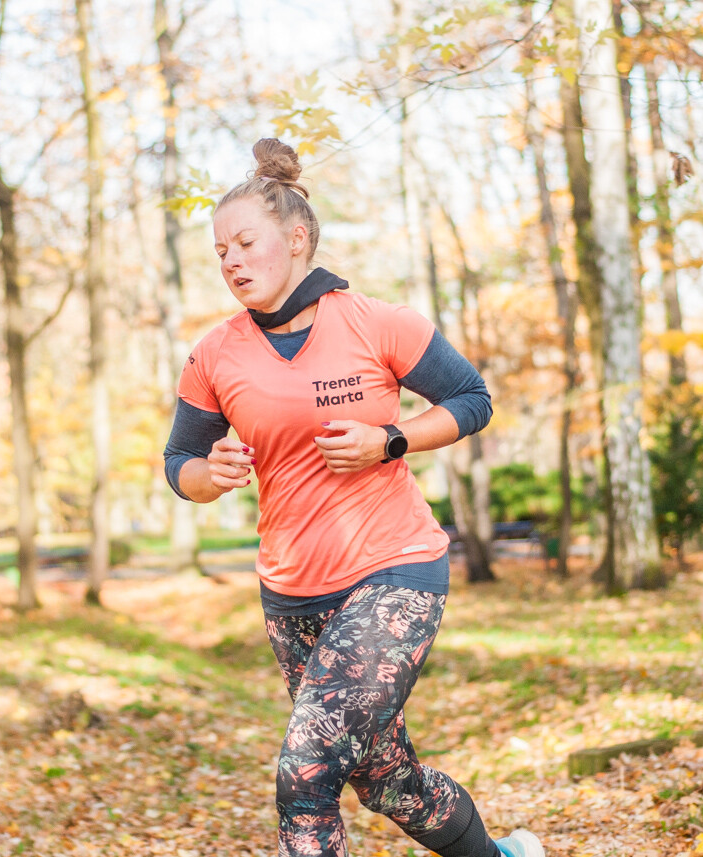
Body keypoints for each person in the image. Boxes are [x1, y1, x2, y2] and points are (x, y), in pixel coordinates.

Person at [163, 138, 545, 857]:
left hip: (393, 568)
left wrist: (390, 438)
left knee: (305, 771)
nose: (232, 261)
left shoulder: (376, 322)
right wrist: (206, 475)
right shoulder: (215, 353)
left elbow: (472, 398)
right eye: (220, 251)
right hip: (291, 591)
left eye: (246, 242)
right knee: (385, 777)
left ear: (297, 238)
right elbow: (178, 460)